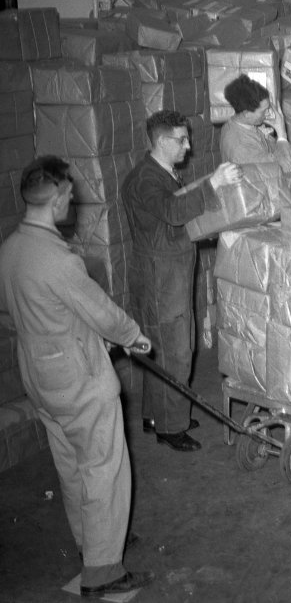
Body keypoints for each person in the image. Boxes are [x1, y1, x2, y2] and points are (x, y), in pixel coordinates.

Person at [0, 156, 154, 597]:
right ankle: (104, 572)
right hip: (77, 376)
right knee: (104, 465)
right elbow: (102, 312)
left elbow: (21, 309)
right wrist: (134, 337)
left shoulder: (10, 249)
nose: (74, 201)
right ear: (57, 199)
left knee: (72, 465)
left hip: (39, 373)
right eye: (70, 194)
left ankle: (95, 543)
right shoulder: (59, 260)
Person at [122, 111, 242, 451]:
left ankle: (155, 415)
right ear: (161, 142)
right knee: (175, 351)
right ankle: (170, 427)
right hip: (163, 276)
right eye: (181, 139)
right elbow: (173, 213)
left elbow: (174, 214)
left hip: (166, 270)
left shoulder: (158, 173)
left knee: (160, 347)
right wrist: (213, 184)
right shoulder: (147, 179)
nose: (188, 147)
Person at [220, 74, 291, 172]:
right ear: (246, 113)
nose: (268, 113)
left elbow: (272, 154)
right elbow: (285, 171)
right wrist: (281, 133)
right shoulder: (241, 147)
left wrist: (268, 136)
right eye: (264, 111)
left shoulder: (240, 124)